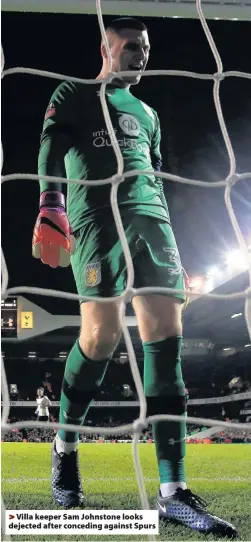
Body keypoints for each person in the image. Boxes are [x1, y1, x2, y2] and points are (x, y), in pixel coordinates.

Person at [32, 17, 236, 538]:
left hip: (153, 223)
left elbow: (155, 174)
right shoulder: (74, 93)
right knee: (99, 338)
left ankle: (173, 493)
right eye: (130, 46)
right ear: (106, 47)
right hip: (97, 219)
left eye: (146, 48)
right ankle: (65, 446)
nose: (140, 55)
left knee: (166, 337)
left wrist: (173, 242)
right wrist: (50, 204)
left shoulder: (146, 113)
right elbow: (50, 145)